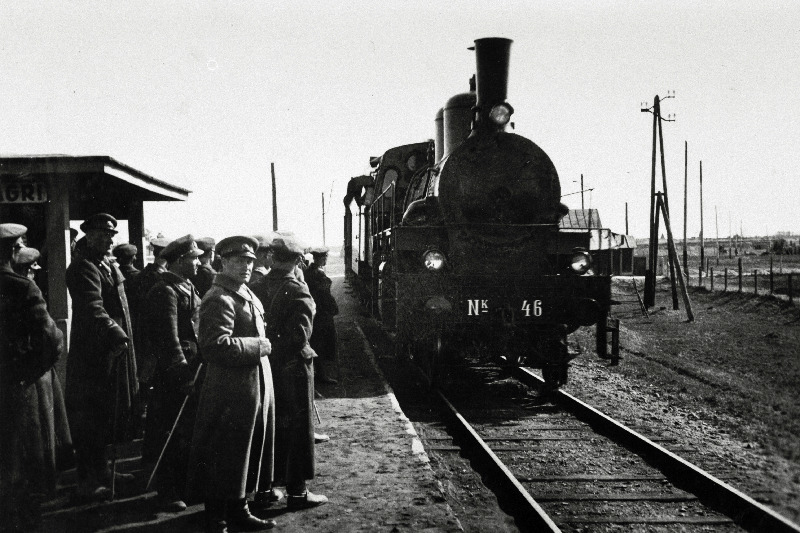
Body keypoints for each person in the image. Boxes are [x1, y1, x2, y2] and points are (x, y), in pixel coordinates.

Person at [186, 235, 277, 533]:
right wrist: (258, 346)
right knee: (223, 453)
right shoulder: (219, 297)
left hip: (247, 388)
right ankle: (218, 519)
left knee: (242, 452)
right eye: (239, 261)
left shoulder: (243, 292)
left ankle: (239, 509)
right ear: (223, 262)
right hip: (229, 390)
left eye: (250, 261)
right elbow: (213, 346)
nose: (247, 266)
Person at [0, 224, 72, 531]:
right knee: (23, 473)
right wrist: (30, 371)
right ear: (15, 250)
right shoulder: (21, 287)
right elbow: (51, 340)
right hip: (18, 390)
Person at [65, 213, 139, 501]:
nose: (108, 240)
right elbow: (93, 307)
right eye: (102, 235)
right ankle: (87, 481)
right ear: (89, 235)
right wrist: (115, 333)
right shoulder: (83, 267)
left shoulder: (105, 264)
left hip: (112, 350)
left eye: (111, 235)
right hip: (94, 354)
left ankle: (104, 470)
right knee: (90, 417)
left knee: (108, 412)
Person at [251, 234, 328, 511]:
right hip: (293, 369)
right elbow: (299, 336)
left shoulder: (255, 285)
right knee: (297, 429)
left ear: (272, 258)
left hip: (264, 367)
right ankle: (297, 492)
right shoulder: (298, 290)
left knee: (269, 427)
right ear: (297, 261)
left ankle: (265, 490)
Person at [143, 235, 204, 512]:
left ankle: (185, 485)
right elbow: (168, 339)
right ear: (180, 260)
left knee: (188, 431)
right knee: (170, 431)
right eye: (193, 258)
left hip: (193, 367)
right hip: (172, 374)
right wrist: (182, 373)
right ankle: (167, 491)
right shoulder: (164, 291)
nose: (198, 262)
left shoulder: (186, 286)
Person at [306, 247, 339, 385]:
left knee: (319, 342)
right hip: (321, 313)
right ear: (318, 258)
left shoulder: (310, 272)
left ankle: (320, 373)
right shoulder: (316, 274)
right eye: (324, 258)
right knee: (321, 343)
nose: (325, 260)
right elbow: (323, 294)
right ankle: (322, 375)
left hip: (318, 312)